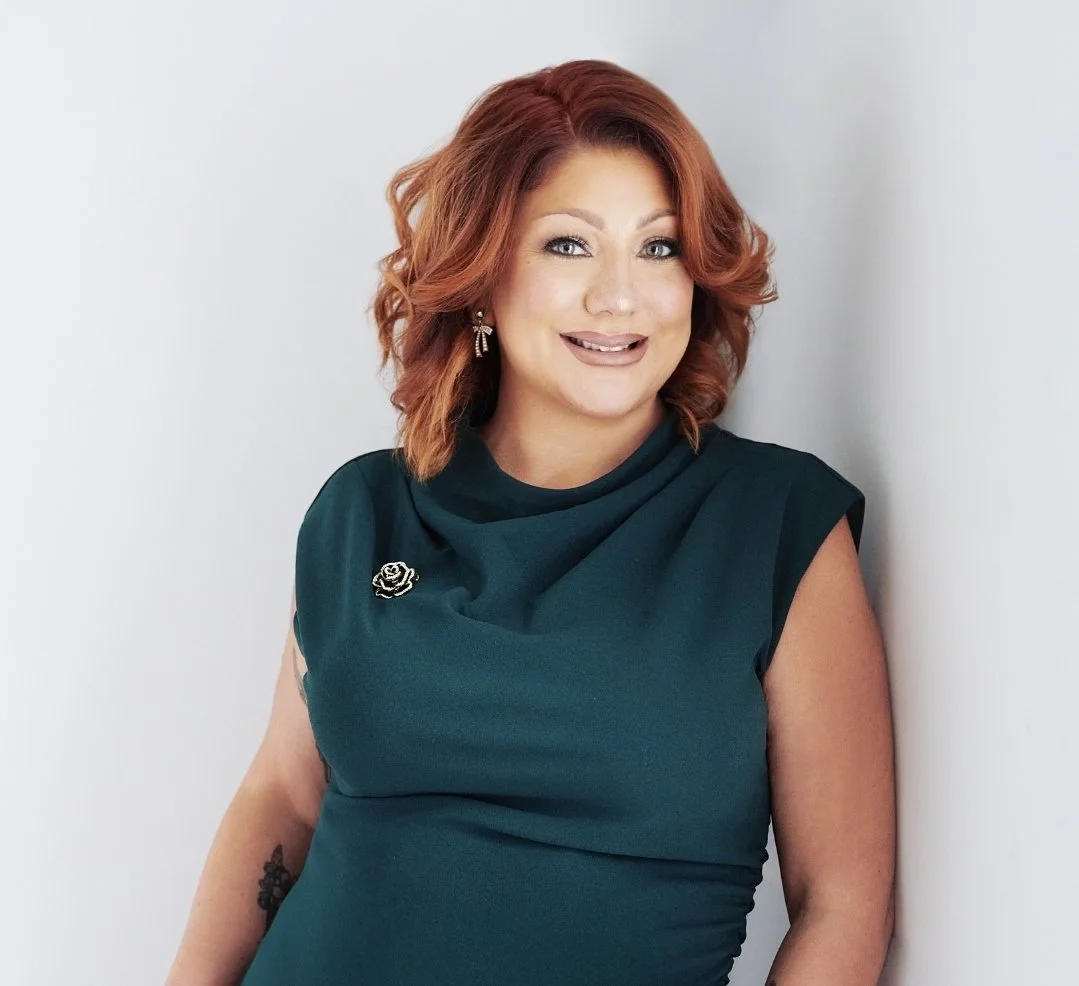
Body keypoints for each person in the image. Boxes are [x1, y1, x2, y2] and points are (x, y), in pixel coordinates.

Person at [166, 58, 895, 986]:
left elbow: (842, 904)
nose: (619, 296)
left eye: (659, 247)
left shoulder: (775, 528)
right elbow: (282, 798)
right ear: (481, 275)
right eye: (568, 245)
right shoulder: (362, 512)